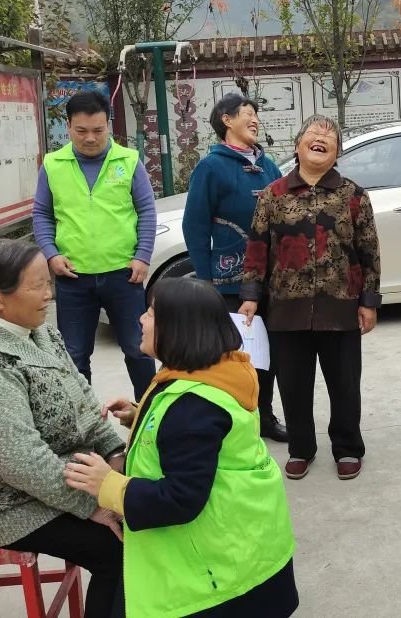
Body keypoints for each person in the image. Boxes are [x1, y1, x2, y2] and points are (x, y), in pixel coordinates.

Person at [63, 277, 298, 618]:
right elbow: (192, 438)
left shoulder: (192, 408)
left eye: (151, 313)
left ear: (179, 328)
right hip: (247, 546)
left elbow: (180, 499)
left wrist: (107, 485)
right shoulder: (211, 374)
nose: (141, 320)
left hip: (215, 575)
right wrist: (139, 415)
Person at [0, 239, 126, 618]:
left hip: (51, 478)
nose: (48, 295)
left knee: (142, 513)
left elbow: (83, 399)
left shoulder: (37, 330)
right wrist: (93, 503)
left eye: (49, 283)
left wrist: (115, 453)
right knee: (118, 550)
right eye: (37, 285)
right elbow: (22, 461)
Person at [239, 115, 381, 482]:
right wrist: (251, 296)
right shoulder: (273, 195)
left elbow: (369, 252)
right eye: (313, 133)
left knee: (345, 385)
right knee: (294, 386)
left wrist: (369, 301)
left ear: (337, 152)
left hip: (341, 306)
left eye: (329, 135)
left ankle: (348, 447)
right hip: (286, 310)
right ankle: (301, 448)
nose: (321, 137)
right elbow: (256, 248)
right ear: (298, 145)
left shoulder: (353, 195)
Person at [33, 90, 156, 400]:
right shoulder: (53, 164)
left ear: (109, 125)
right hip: (73, 277)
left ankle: (148, 416)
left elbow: (146, 211)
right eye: (81, 131)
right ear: (69, 127)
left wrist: (142, 256)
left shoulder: (128, 161)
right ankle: (85, 423)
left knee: (138, 350)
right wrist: (51, 255)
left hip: (124, 275)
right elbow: (42, 215)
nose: (90, 138)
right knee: (74, 356)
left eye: (98, 130)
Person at [183, 93, 287, 443]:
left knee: (268, 355)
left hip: (272, 280)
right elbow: (194, 226)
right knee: (238, 357)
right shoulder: (210, 167)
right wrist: (206, 280)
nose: (255, 119)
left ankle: (265, 416)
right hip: (230, 282)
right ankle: (236, 421)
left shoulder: (268, 166)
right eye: (247, 113)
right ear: (226, 120)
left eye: (256, 113)